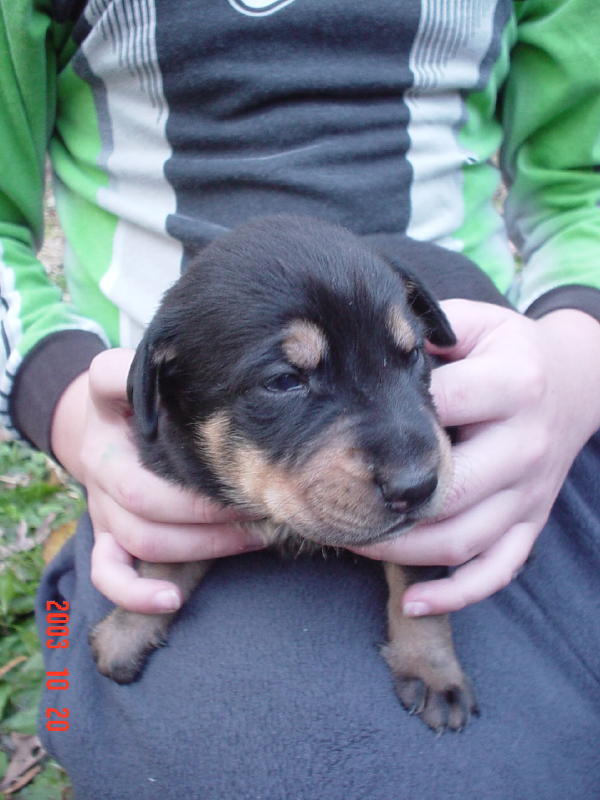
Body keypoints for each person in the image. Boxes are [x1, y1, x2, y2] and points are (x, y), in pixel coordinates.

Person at [2, 1, 600, 797]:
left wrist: (576, 355)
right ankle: (80, 636)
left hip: (526, 395)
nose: (407, 469)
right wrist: (66, 401)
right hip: (165, 436)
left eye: (407, 348)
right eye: (289, 381)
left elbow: (580, 185)